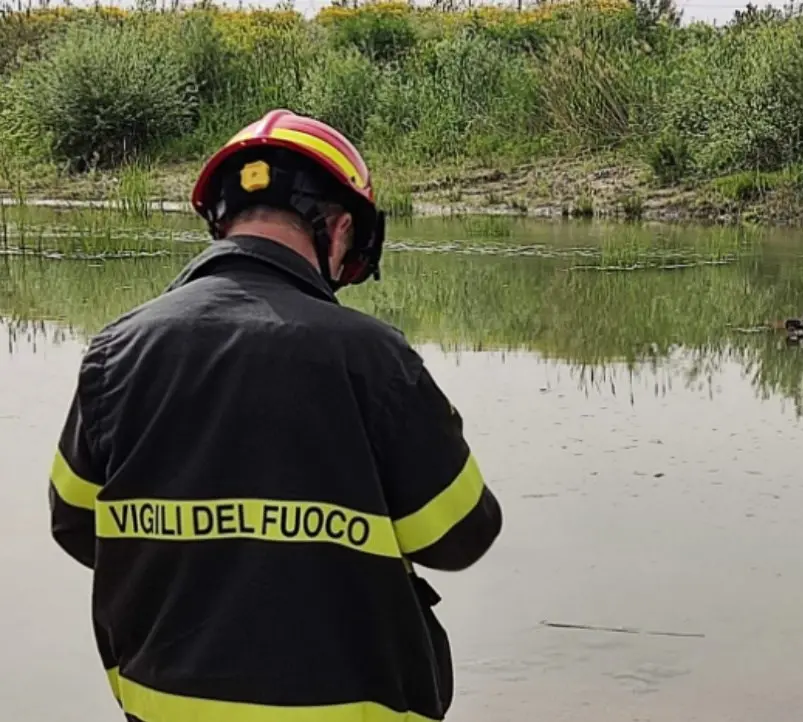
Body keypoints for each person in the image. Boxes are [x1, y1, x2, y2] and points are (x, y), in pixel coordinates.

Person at [46, 109, 503, 722]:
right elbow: (459, 535)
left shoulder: (116, 351)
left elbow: (76, 524)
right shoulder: (371, 355)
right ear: (340, 230)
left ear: (220, 222)